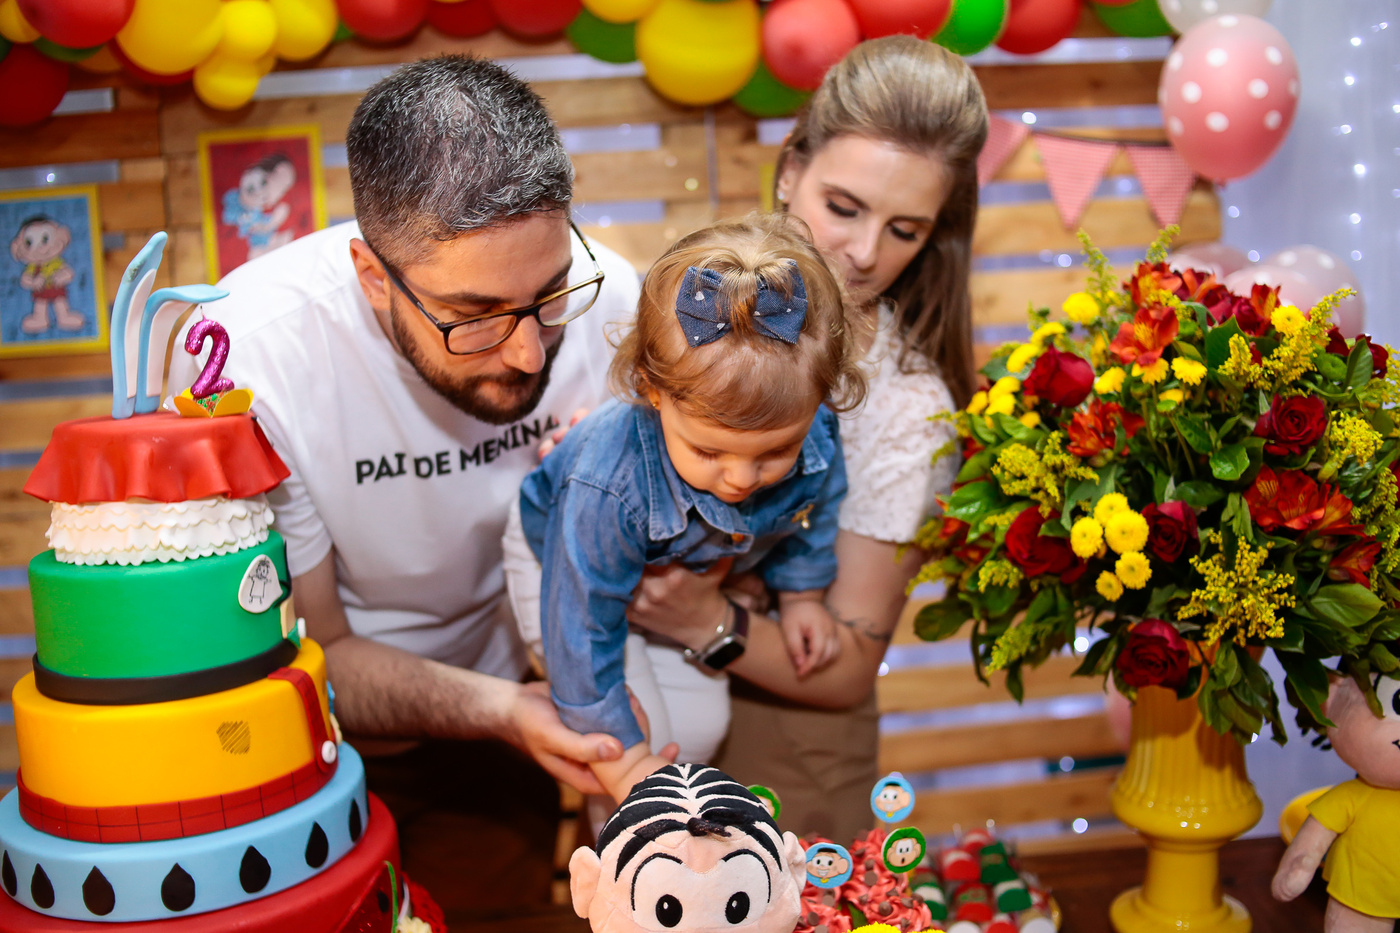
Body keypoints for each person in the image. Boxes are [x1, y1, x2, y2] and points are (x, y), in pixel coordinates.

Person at [167, 55, 644, 915]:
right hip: (310, 748)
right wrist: (504, 708)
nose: (528, 352)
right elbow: (317, 650)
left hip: (514, 730)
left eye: (548, 294)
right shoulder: (246, 360)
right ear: (372, 276)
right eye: (473, 317)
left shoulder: (612, 304)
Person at [623, 35, 987, 840]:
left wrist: (700, 618)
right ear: (790, 170)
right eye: (844, 207)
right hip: (641, 715)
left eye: (905, 229)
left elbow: (846, 667)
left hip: (793, 751)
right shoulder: (694, 302)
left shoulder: (909, 405)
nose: (864, 252)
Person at [504, 214, 866, 802]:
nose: (741, 479)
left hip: (676, 565)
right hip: (563, 560)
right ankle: (628, 845)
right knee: (626, 748)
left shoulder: (816, 429)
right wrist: (623, 762)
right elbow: (580, 624)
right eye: (708, 451)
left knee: (699, 730)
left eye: (775, 452)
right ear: (651, 389)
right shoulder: (607, 483)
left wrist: (802, 595)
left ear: (820, 402)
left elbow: (814, 511)